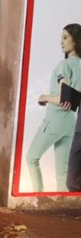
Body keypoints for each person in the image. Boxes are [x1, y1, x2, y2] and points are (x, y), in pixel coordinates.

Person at [27, 24, 81, 192]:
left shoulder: (63, 66)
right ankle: (61, 204)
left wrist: (44, 97)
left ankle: (38, 196)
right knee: (62, 171)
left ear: (76, 41)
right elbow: (72, 100)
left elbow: (63, 98)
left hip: (55, 119)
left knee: (31, 158)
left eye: (65, 37)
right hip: (70, 122)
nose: (61, 42)